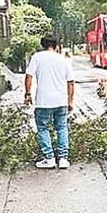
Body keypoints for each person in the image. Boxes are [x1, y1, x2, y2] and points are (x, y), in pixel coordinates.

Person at [25, 36, 74, 169]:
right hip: (61, 101)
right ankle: (63, 159)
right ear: (56, 46)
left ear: (43, 45)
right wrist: (70, 101)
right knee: (62, 128)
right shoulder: (63, 59)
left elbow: (29, 76)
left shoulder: (37, 57)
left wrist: (28, 94)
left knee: (43, 129)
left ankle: (49, 158)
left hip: (43, 101)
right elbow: (70, 82)